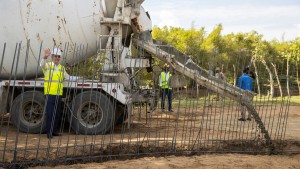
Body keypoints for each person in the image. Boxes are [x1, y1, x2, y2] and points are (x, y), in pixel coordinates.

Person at [40, 48, 80, 138]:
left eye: (58, 57)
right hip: (50, 94)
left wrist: (78, 78)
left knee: (57, 114)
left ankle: (54, 131)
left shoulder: (62, 68)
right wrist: (45, 57)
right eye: (55, 56)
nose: (57, 58)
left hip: (58, 94)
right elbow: (41, 65)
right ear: (52, 57)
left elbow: (68, 77)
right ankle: (49, 133)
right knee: (50, 114)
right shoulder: (48, 66)